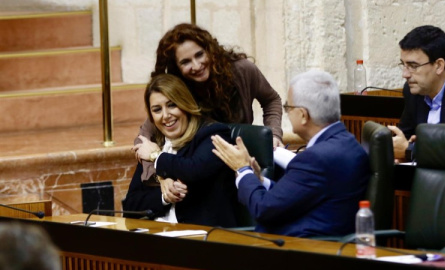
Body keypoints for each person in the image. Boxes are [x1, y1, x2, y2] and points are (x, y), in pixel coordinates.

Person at [211, 70, 371, 238]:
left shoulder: (316, 158)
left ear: (303, 115)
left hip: (303, 251)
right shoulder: (348, 143)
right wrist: (259, 180)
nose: (286, 112)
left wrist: (242, 169)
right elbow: (294, 195)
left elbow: (263, 209)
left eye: (288, 107)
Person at [136, 23, 283, 183]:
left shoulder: (242, 70)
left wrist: (274, 134)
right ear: (176, 67)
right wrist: (159, 177)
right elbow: (144, 137)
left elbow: (271, 100)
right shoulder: (179, 88)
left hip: (240, 162)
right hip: (201, 170)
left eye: (199, 55)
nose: (197, 65)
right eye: (186, 62)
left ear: (210, 50)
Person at [124, 74, 241, 227]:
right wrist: (164, 196)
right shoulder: (156, 143)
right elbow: (130, 206)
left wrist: (156, 156)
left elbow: (194, 169)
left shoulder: (213, 133)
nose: (166, 116)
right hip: (158, 235)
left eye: (172, 105)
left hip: (203, 238)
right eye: (157, 110)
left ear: (185, 103)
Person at [388, 25, 445, 162]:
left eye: (413, 66)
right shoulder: (413, 90)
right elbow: (404, 135)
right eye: (404, 65)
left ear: (439, 65)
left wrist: (411, 151)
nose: (405, 74)